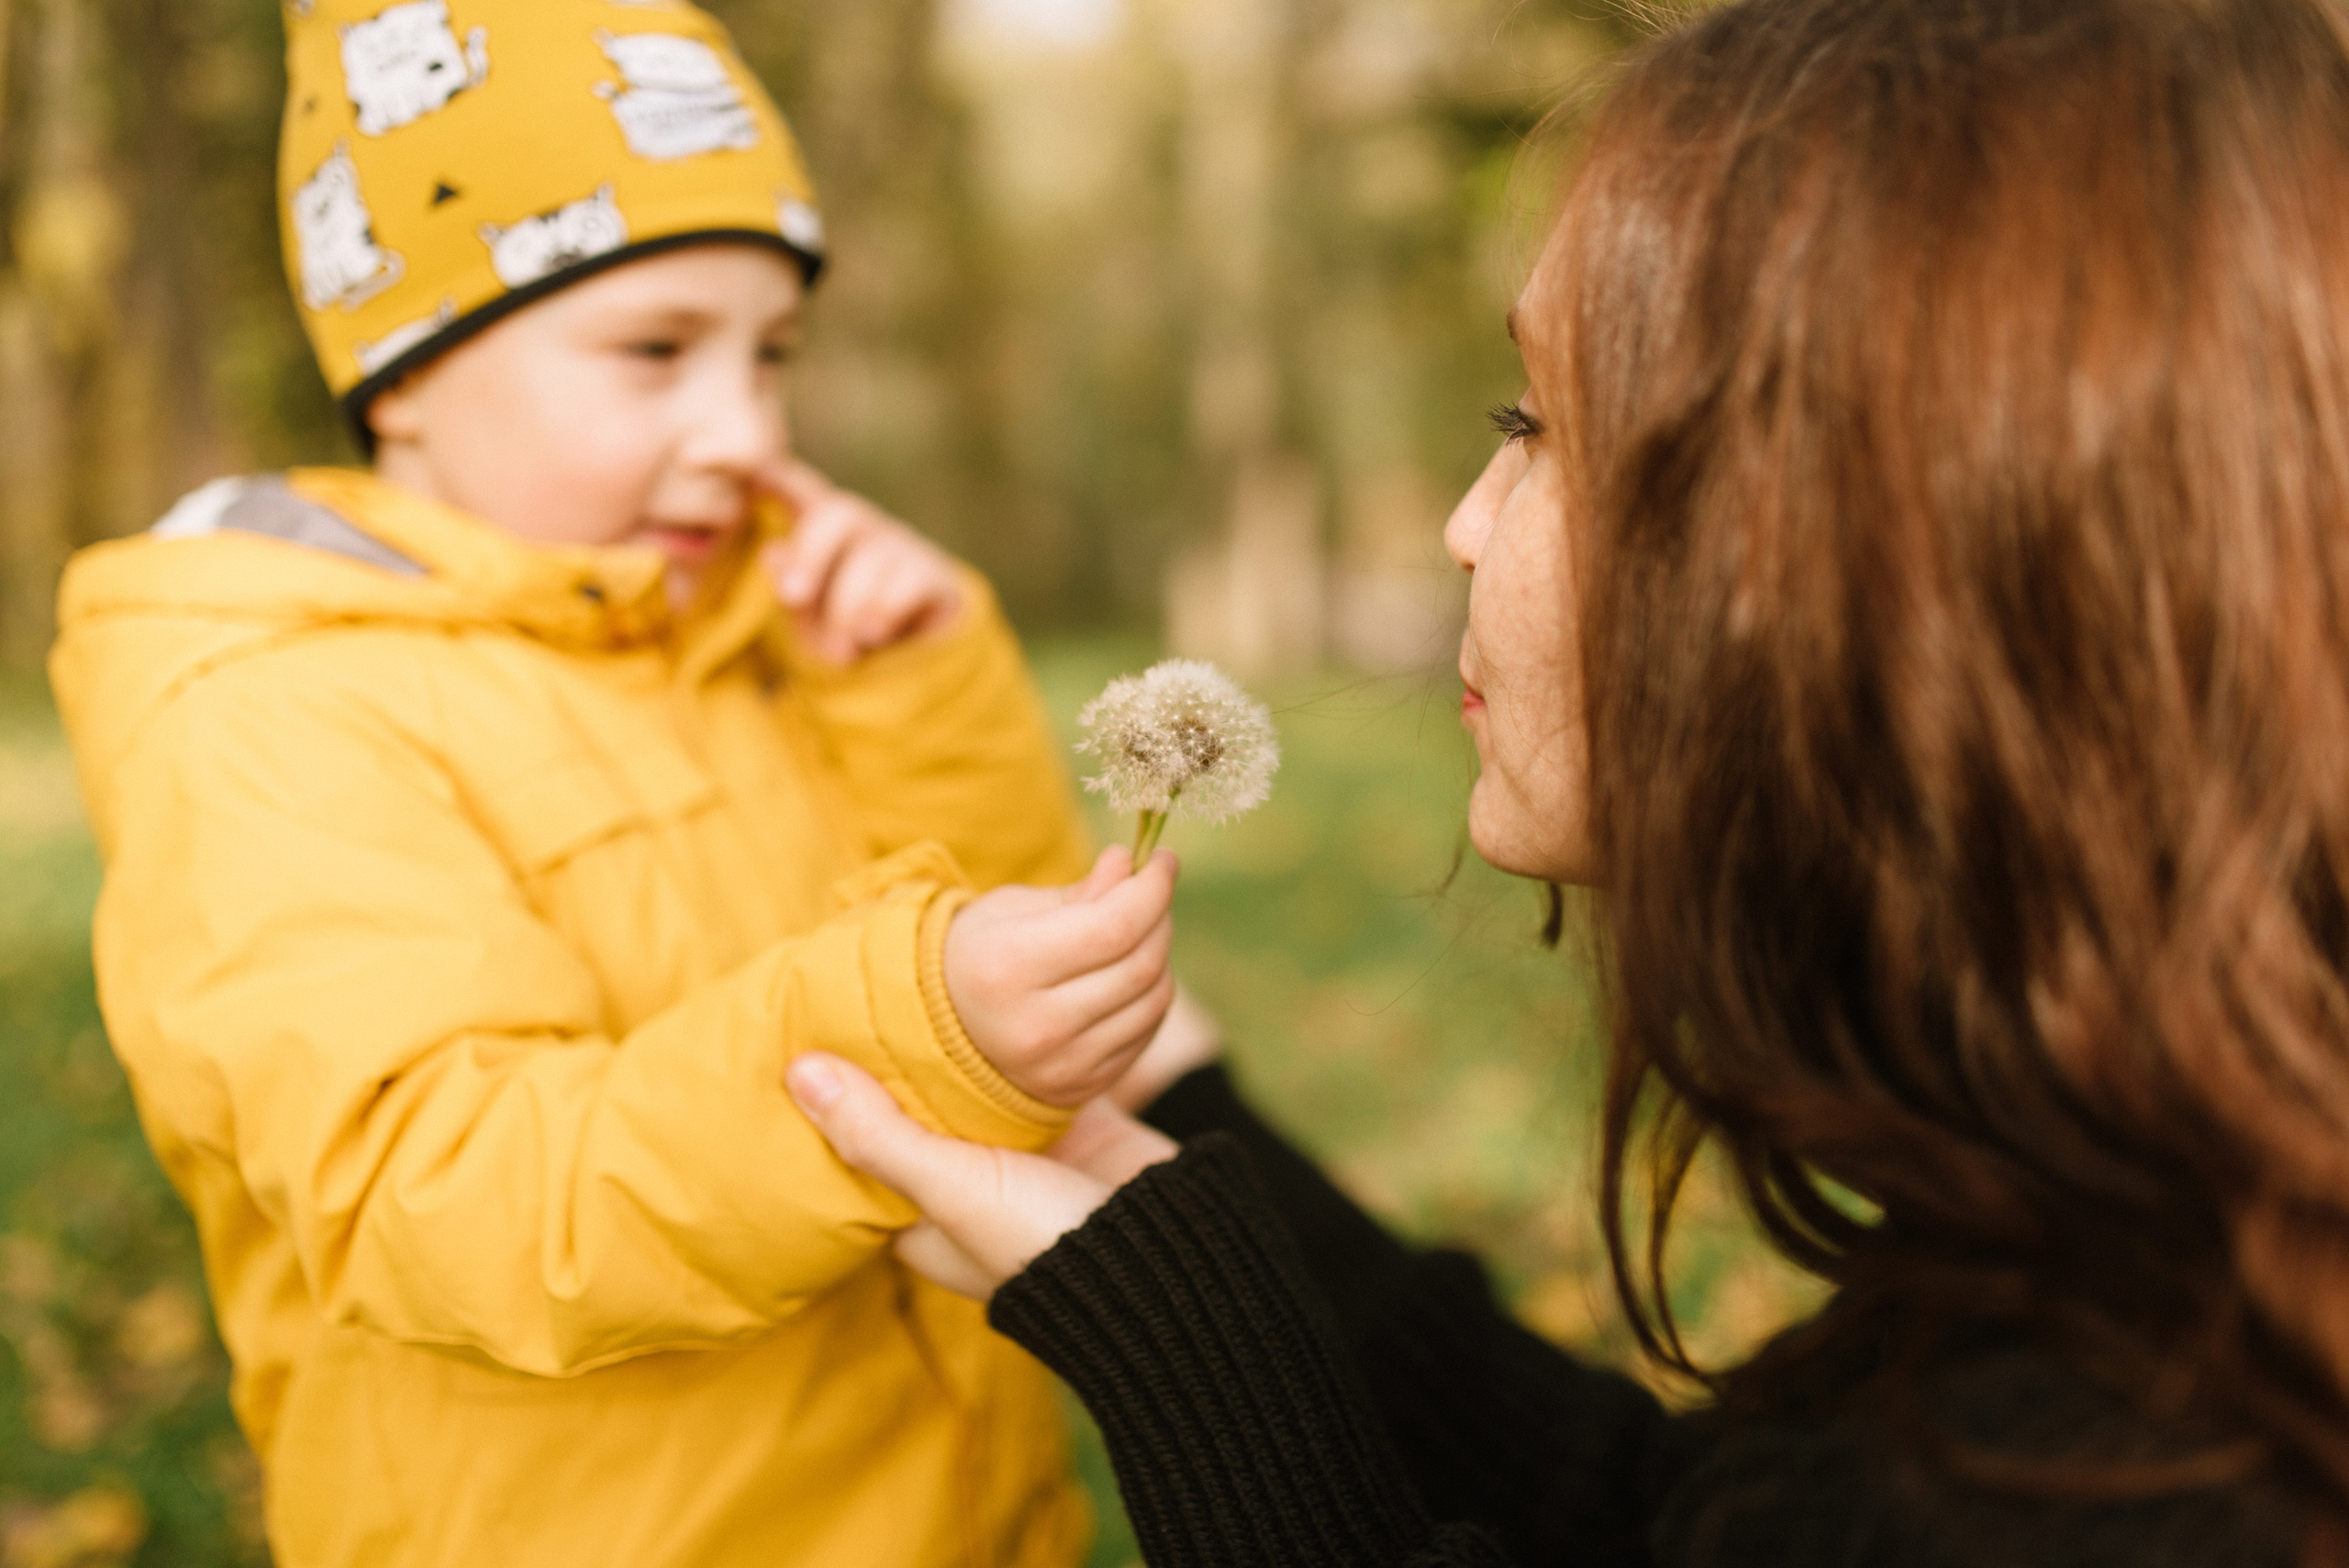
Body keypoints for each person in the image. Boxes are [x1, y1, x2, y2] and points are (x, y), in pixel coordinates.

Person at [786, 0, 2349, 1562]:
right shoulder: (2162, 1262)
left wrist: (1185, 1350)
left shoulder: (2144, 1491)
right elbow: (1666, 1518)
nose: (1465, 522)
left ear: (1852, 562)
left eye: (1536, 424)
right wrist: (1178, 1123)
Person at [46, 2, 1179, 1564]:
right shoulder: (269, 710)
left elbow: (1007, 995)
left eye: (772, 354)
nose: (748, 432)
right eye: (656, 351)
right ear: (404, 375)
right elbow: (446, 1192)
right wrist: (893, 1031)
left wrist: (928, 698)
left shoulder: (757, 632)